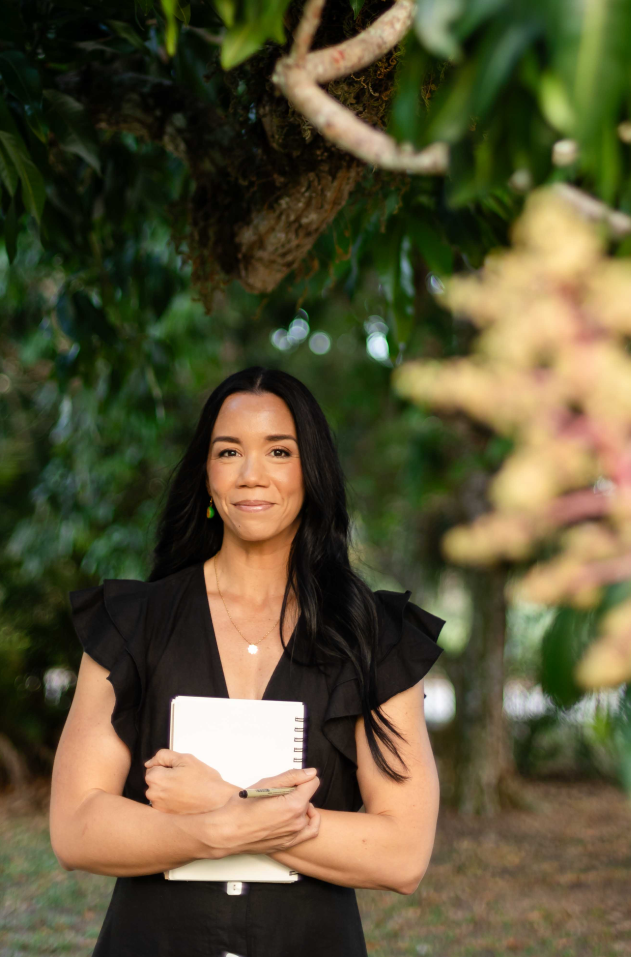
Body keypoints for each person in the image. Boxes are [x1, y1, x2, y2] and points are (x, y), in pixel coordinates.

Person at [49, 366, 445, 957]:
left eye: (279, 451)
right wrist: (218, 828)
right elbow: (76, 829)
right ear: (206, 475)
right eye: (229, 451)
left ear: (311, 470)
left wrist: (221, 799)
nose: (251, 474)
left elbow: (402, 855)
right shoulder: (132, 623)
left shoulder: (373, 635)